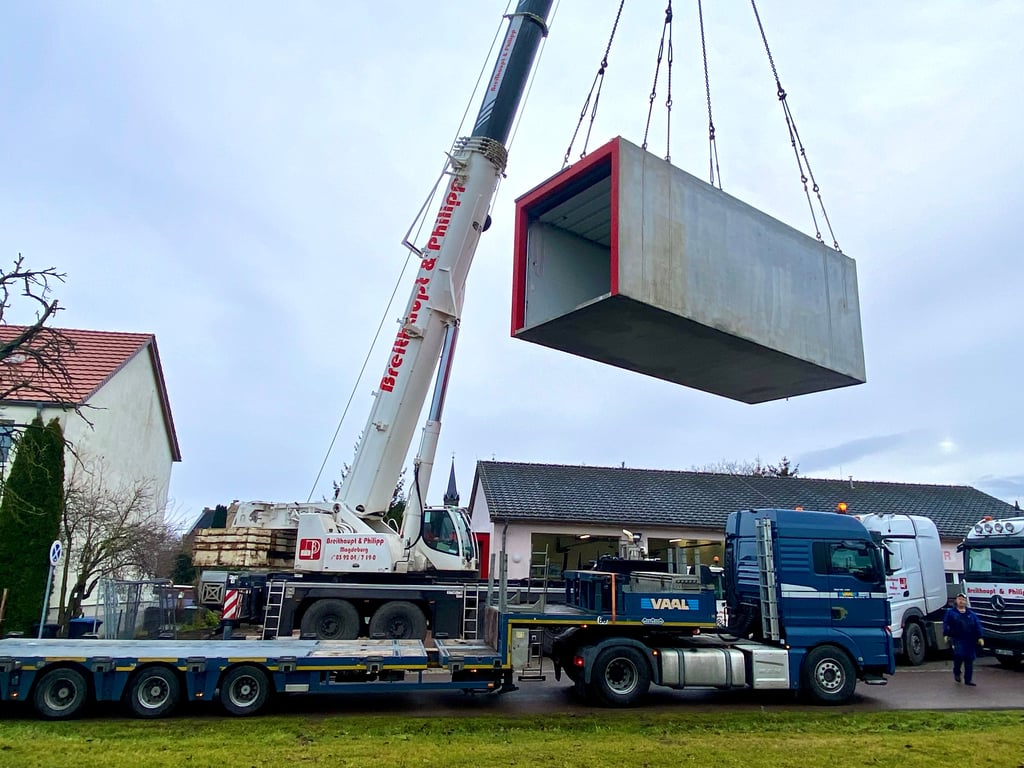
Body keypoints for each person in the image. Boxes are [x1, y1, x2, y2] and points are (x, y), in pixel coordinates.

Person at [943, 592, 985, 685]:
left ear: (966, 602)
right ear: (956, 601)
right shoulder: (951, 613)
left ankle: (968, 680)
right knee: (959, 655)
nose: (961, 601)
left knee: (969, 659)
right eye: (959, 599)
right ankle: (957, 672)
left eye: (963, 600)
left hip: (970, 639)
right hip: (957, 638)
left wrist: (980, 637)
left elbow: (977, 625)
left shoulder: (971, 614)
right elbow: (946, 623)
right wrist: (946, 634)